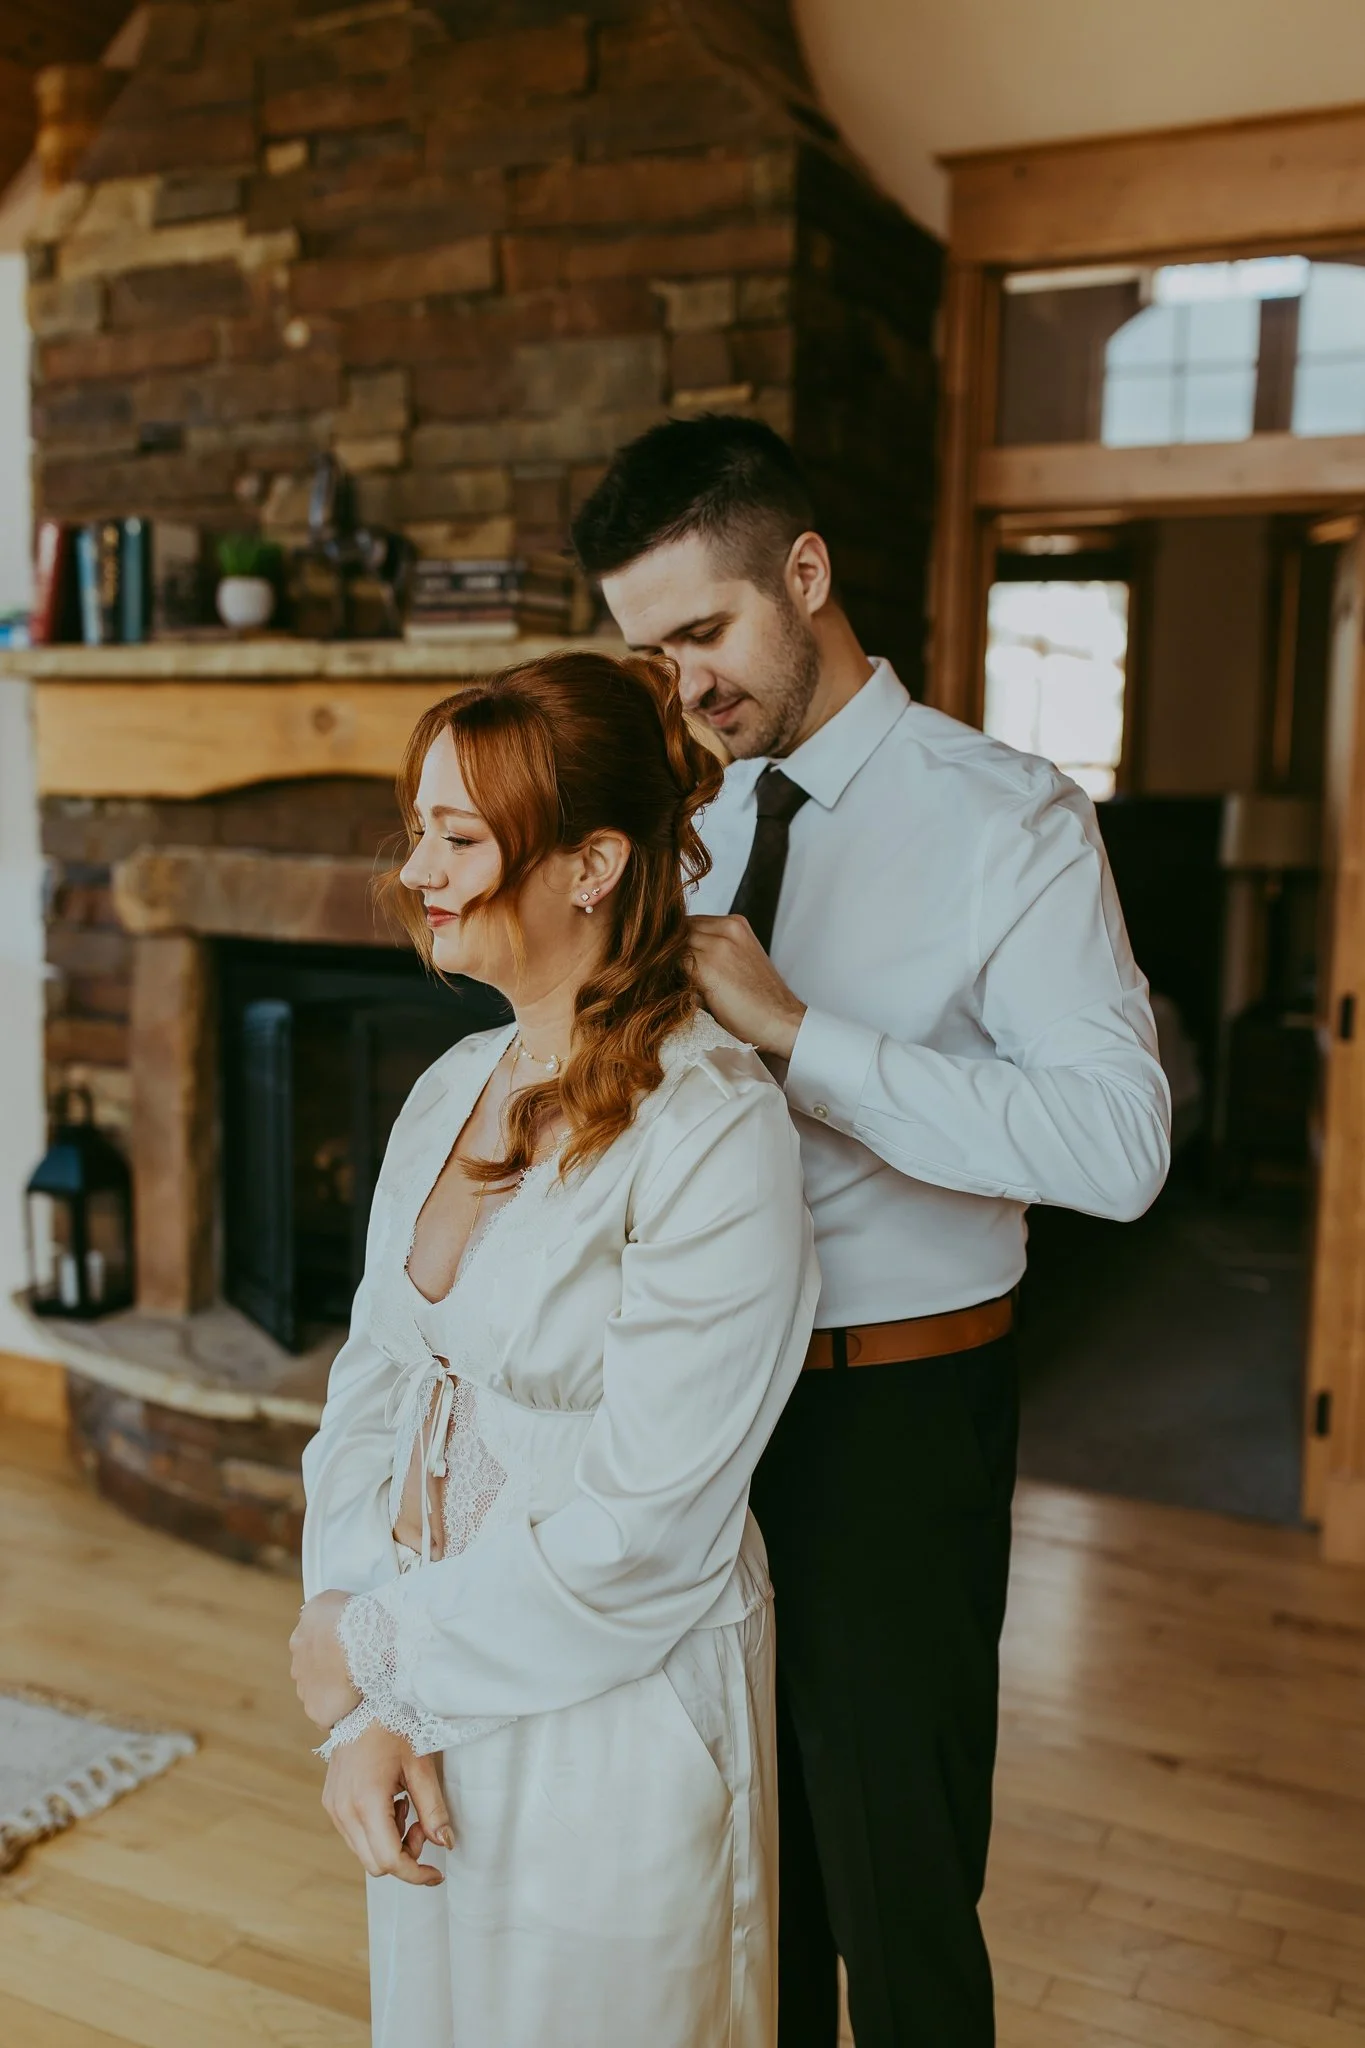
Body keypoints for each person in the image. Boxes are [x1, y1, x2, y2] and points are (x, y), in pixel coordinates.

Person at [573, 416, 1172, 2048]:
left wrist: (802, 1035)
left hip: (900, 1417)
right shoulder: (688, 824)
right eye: (650, 653)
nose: (683, 687)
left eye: (703, 633)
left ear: (806, 574)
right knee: (748, 1877)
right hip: (712, 1418)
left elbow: (1121, 1147)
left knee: (901, 1901)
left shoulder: (1009, 819)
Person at [288, 649, 819, 2048]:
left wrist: (379, 1654)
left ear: (591, 865)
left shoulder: (713, 1132)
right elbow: (377, 1388)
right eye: (421, 832)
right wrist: (358, 1681)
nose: (420, 872)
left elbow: (647, 1530)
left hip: (616, 1711)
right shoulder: (453, 1088)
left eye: (459, 838)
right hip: (426, 1683)